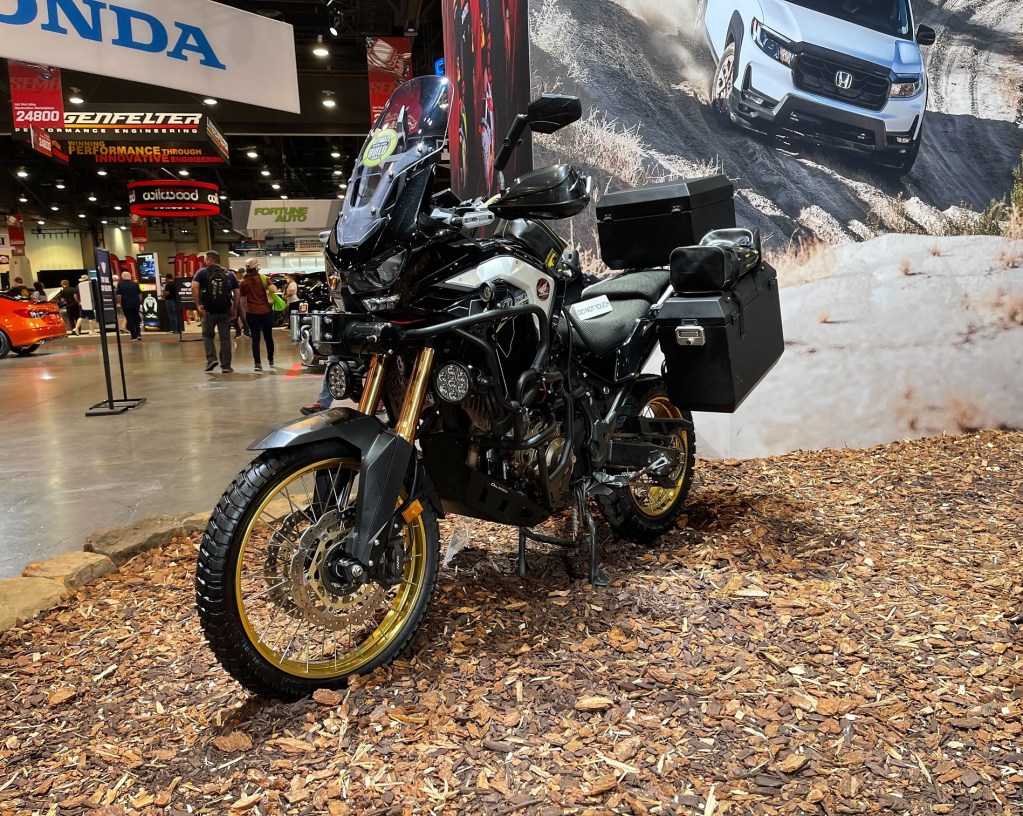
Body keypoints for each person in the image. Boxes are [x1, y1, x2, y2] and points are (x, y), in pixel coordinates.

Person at [191, 250, 239, 373]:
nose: (204, 262)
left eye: (205, 260)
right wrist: (234, 308)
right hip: (225, 311)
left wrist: (198, 304)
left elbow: (194, 287)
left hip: (208, 311)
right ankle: (226, 366)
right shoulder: (229, 274)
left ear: (210, 260)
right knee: (225, 338)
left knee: (208, 336)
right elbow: (237, 292)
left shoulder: (202, 272)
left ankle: (211, 359)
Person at [238, 258, 277, 372]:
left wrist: (245, 310)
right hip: (266, 312)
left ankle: (257, 364)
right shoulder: (263, 278)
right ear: (256, 267)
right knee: (268, 337)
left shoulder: (243, 282)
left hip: (252, 313)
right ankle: (271, 359)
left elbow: (242, 299)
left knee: (255, 338)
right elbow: (274, 289)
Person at [116, 272, 143, 340]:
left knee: (130, 319)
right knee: (136, 318)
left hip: (126, 304)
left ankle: (133, 335)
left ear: (122, 277)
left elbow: (119, 296)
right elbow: (140, 294)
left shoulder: (120, 285)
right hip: (135, 304)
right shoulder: (135, 284)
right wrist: (139, 302)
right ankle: (138, 334)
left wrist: (120, 303)